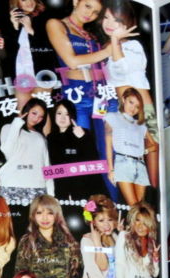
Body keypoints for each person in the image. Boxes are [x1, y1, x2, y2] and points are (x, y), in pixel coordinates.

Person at [100, 0, 158, 186]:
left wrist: (115, 41)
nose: (109, 24)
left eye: (116, 20)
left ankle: (157, 194)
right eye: (106, 17)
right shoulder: (109, 46)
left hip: (143, 108)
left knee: (153, 150)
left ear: (127, 24)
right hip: (125, 111)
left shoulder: (133, 45)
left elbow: (122, 68)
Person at [46, 0, 113, 159]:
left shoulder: (91, 34)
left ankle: (110, 176)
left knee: (107, 145)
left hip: (100, 94)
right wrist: (107, 51)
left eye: (96, 12)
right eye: (88, 6)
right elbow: (72, 61)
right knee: (81, 145)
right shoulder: (56, 24)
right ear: (76, 1)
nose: (90, 14)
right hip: (77, 95)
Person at [15, 194, 81, 278]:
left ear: (56, 215)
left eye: (50, 213)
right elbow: (20, 273)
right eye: (39, 213)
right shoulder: (27, 241)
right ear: (33, 215)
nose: (44, 218)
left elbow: (78, 270)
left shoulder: (68, 240)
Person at [46, 99, 104, 202]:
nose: (63, 117)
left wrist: (82, 138)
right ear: (54, 115)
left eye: (67, 114)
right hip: (61, 192)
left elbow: (93, 160)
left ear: (72, 116)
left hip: (84, 190)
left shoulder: (82, 132)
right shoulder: (50, 138)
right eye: (59, 113)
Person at [104, 88, 154, 206]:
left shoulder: (140, 125)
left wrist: (143, 151)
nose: (133, 108)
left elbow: (154, 145)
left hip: (140, 164)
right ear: (123, 99)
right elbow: (108, 144)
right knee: (133, 205)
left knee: (141, 206)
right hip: (123, 162)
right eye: (131, 102)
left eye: (137, 106)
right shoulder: (112, 117)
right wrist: (111, 169)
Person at [0, 98, 53, 202]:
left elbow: (47, 165)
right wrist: (16, 124)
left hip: (37, 187)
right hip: (11, 185)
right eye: (34, 113)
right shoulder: (8, 128)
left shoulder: (40, 137)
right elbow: (7, 151)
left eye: (41, 117)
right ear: (27, 110)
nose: (36, 118)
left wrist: (51, 194)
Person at [10, 0, 59, 114]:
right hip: (21, 73)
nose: (29, 2)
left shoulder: (47, 18)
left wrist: (30, 30)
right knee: (23, 112)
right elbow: (9, 52)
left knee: (41, 112)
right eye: (23, 0)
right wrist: (14, 26)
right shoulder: (15, 20)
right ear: (17, 3)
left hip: (43, 72)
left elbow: (50, 47)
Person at [78, 195, 118, 278]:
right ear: (93, 222)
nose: (107, 225)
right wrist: (97, 243)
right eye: (101, 221)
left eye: (110, 219)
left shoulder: (115, 237)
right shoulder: (87, 240)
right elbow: (102, 268)